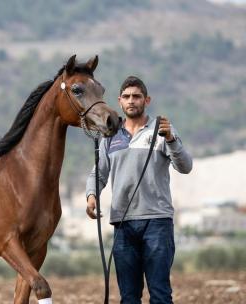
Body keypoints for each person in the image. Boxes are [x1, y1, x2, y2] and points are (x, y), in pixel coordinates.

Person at [85, 76, 192, 303]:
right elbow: (99, 173)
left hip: (157, 222)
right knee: (129, 297)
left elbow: (185, 167)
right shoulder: (110, 135)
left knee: (160, 294)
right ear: (119, 101)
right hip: (123, 224)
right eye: (126, 97)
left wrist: (171, 140)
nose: (131, 101)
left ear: (147, 100)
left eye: (136, 96)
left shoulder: (161, 130)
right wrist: (92, 195)